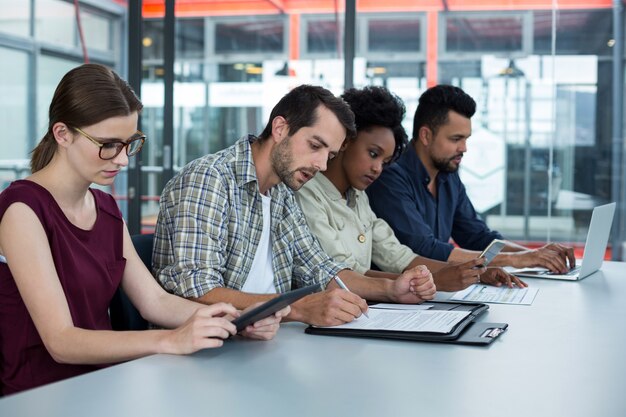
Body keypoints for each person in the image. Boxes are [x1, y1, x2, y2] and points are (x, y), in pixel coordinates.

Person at [0, 64, 285, 395]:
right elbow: (61, 340)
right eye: (108, 144)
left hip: (102, 384)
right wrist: (170, 340)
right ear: (62, 134)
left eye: (129, 143)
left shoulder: (105, 210)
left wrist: (234, 319)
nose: (122, 160)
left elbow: (155, 301)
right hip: (39, 395)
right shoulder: (22, 209)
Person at [153, 85, 436, 328]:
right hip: (204, 354)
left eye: (330, 154)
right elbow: (195, 293)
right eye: (315, 146)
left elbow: (320, 269)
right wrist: (296, 308)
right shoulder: (210, 179)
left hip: (263, 344)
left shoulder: (282, 192)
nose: (322, 164)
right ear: (280, 128)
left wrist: (392, 289)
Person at [294, 86, 525, 291]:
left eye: (384, 162)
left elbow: (398, 256)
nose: (377, 169)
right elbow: (342, 274)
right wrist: (429, 281)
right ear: (345, 142)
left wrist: (473, 274)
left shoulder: (358, 197)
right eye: (373, 154)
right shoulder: (307, 192)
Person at [366, 84, 575, 272]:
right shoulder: (390, 177)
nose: (464, 148)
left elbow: (478, 237)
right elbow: (425, 249)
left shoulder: (447, 176)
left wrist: (537, 256)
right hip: (396, 302)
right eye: (456, 139)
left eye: (466, 139)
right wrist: (518, 259)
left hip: (435, 293)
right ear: (426, 136)